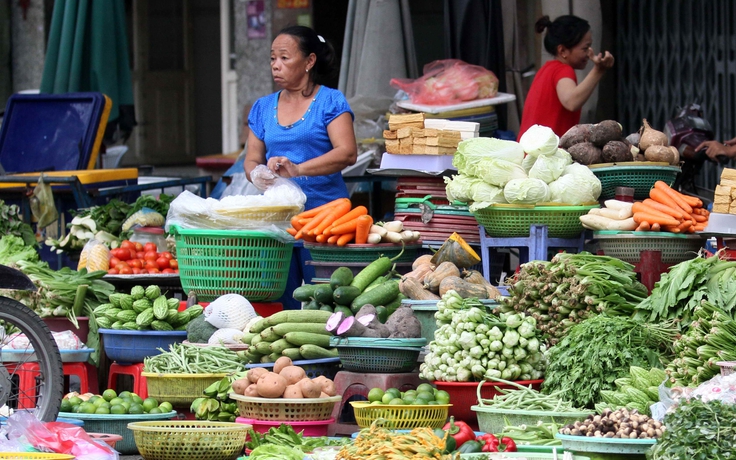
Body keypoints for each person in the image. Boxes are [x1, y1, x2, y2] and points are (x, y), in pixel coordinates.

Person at [244, 25, 357, 310]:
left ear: (309, 62)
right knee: (281, 304)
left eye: (284, 57)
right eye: (272, 59)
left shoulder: (330, 101)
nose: (276, 66)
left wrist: (298, 169)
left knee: (329, 301)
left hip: (326, 222)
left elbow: (347, 153)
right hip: (278, 223)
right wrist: (258, 174)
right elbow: (251, 158)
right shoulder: (262, 107)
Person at [518, 15, 614, 139]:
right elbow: (571, 102)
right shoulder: (563, 70)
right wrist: (598, 70)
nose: (590, 53)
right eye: (585, 48)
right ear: (562, 50)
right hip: (545, 155)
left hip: (531, 152)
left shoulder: (547, 69)